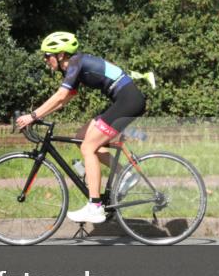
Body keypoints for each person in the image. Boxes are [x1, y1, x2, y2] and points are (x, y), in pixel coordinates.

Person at [16, 31, 146, 224]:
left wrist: (33, 115)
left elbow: (60, 96)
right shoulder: (75, 65)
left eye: (47, 56)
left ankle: (95, 207)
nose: (45, 60)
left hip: (128, 101)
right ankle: (124, 174)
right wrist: (38, 116)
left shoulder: (76, 63)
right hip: (125, 99)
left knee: (88, 148)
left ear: (60, 55)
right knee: (81, 137)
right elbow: (64, 99)